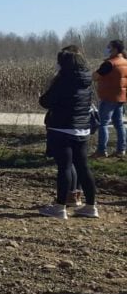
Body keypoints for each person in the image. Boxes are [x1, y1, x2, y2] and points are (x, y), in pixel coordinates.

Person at [38, 46, 99, 219]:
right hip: (82, 129)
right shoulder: (86, 80)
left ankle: (60, 207)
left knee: (64, 167)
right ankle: (91, 206)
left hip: (61, 128)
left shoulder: (63, 80)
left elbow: (46, 101)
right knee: (83, 166)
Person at [92, 39, 127, 158]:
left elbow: (95, 76)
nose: (107, 49)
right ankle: (121, 149)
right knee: (119, 124)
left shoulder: (110, 64)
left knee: (103, 124)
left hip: (108, 97)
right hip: (121, 96)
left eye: (109, 47)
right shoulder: (125, 61)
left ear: (115, 49)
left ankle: (101, 150)